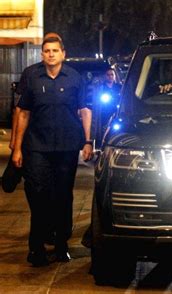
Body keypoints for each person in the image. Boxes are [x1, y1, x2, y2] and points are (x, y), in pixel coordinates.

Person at [12, 36, 93, 267]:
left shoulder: (75, 78)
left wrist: (88, 141)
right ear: (41, 55)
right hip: (37, 147)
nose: (50, 54)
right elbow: (23, 113)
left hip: (67, 148)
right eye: (46, 51)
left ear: (63, 54)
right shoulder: (34, 79)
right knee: (39, 197)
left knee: (63, 197)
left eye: (55, 50)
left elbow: (85, 110)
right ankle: (36, 248)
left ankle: (61, 246)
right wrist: (17, 148)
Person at [92, 68, 121, 147]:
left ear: (114, 76)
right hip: (105, 111)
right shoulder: (101, 87)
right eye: (108, 75)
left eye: (112, 74)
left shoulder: (119, 87)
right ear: (105, 76)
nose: (110, 76)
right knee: (103, 129)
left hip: (117, 111)